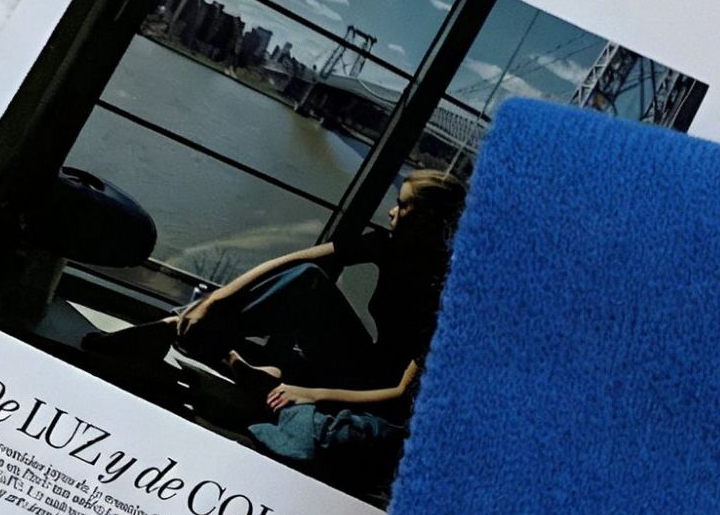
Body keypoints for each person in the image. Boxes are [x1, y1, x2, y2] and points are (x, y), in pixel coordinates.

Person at [87, 171, 466, 422]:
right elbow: (296, 261)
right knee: (309, 280)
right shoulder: (389, 246)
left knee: (281, 359)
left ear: (430, 219)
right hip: (361, 359)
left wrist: (312, 394)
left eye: (403, 204)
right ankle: (187, 330)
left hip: (377, 391)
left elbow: (401, 396)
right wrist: (214, 301)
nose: (391, 211)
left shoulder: (450, 296)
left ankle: (200, 343)